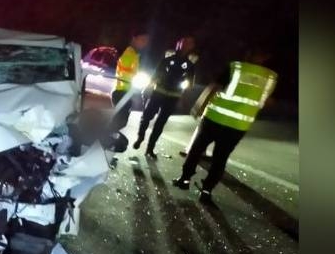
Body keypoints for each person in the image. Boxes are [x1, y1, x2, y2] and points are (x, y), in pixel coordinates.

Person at [172, 49, 277, 204]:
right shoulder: (270, 77)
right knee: (220, 159)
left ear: (249, 53)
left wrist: (198, 106)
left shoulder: (236, 67)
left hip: (215, 118)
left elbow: (214, 87)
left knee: (196, 150)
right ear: (267, 57)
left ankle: (185, 179)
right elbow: (269, 102)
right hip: (238, 125)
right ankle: (207, 191)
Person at [133, 36, 198, 158]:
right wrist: (148, 87)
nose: (185, 46)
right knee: (146, 116)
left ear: (192, 47)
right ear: (178, 44)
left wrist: (185, 94)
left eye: (188, 43)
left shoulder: (190, 64)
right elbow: (156, 75)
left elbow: (190, 83)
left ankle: (150, 148)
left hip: (173, 97)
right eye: (183, 42)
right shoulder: (167, 58)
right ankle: (140, 137)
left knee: (160, 123)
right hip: (158, 92)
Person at [109, 31, 150, 132]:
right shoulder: (129, 54)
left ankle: (107, 139)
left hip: (125, 92)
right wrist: (135, 91)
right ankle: (103, 139)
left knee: (119, 121)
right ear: (134, 39)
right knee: (119, 121)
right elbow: (126, 76)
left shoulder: (134, 55)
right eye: (142, 40)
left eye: (146, 41)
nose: (145, 43)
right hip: (122, 92)